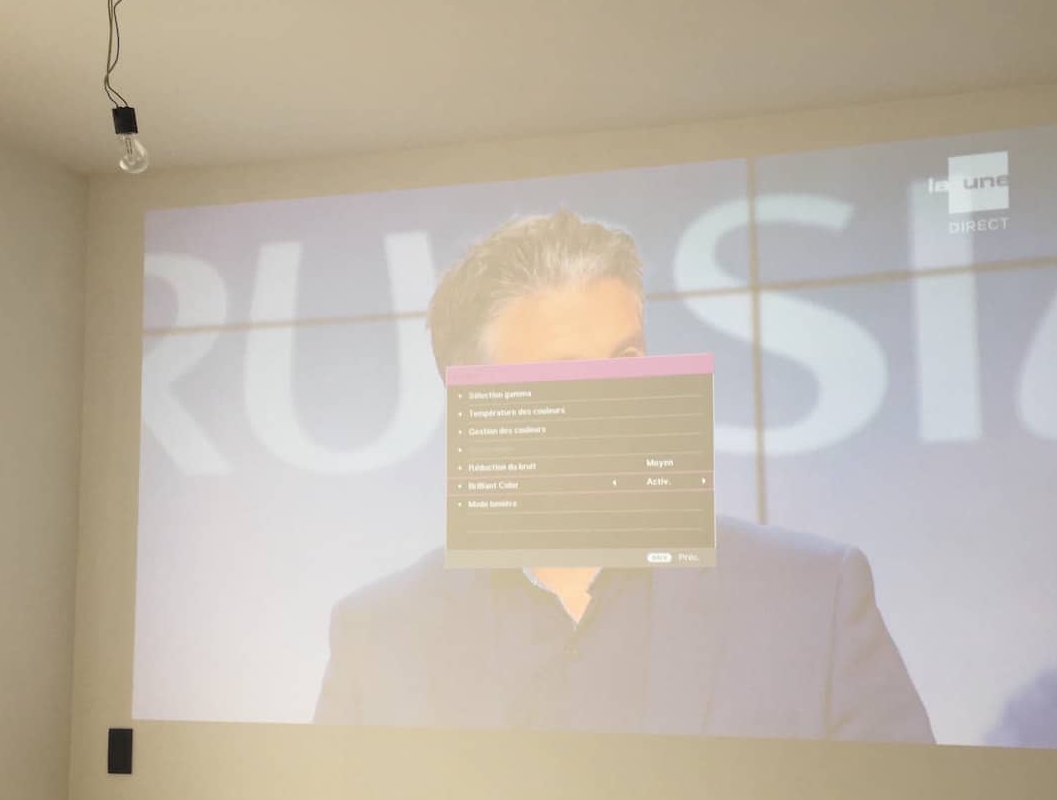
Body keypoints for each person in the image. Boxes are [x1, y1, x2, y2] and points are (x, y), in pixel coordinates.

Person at [314, 211, 933, 742]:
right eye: (567, 372)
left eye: (626, 358)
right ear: (476, 405)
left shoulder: (812, 599)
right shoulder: (379, 634)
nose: (617, 395)